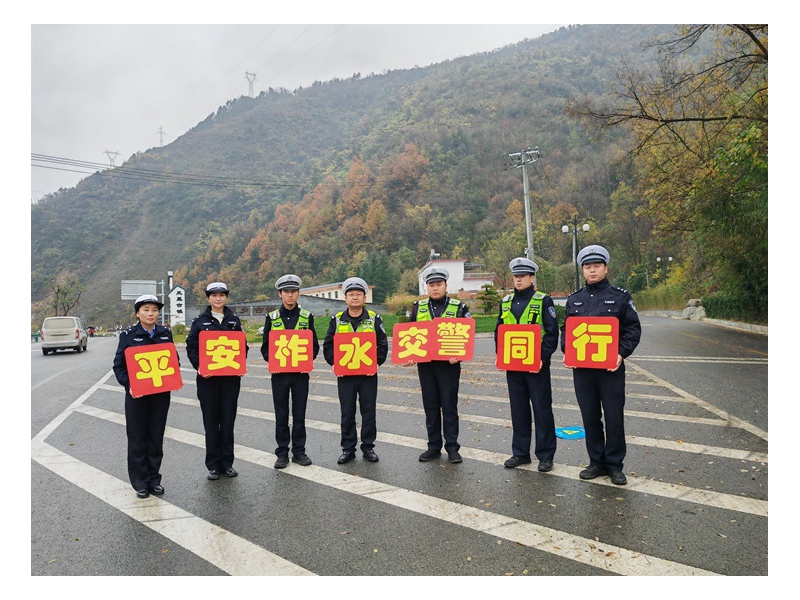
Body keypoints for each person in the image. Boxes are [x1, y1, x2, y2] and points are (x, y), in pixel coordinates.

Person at [561, 245, 641, 486]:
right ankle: (596, 462)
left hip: (611, 369)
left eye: (596, 266)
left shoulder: (620, 297)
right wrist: (568, 352)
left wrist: (621, 353)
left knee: (614, 416)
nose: (592, 270)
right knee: (590, 415)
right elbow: (567, 331)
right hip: (583, 371)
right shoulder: (575, 300)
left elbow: (632, 329)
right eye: (587, 267)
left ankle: (615, 465)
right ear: (583, 271)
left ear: (605, 268)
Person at [495, 258, 559, 472]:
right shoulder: (506, 301)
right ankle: (520, 453)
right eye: (516, 276)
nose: (519, 279)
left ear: (532, 278)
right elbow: (499, 331)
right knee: (518, 409)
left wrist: (542, 358)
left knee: (542, 409)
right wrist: (500, 355)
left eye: (523, 276)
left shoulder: (543, 301)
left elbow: (552, 333)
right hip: (514, 366)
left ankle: (545, 455)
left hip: (536, 366)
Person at [112, 294, 176, 499]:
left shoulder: (166, 334)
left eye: (154, 310)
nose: (151, 313)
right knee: (138, 438)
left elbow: (174, 360)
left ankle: (154, 479)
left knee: (155, 437)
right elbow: (119, 366)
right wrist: (129, 385)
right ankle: (140, 482)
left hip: (160, 395)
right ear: (138, 313)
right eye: (146, 310)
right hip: (136, 396)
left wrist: (173, 378)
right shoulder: (129, 336)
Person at [407, 267, 471, 464]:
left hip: (448, 366)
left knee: (449, 406)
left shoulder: (459, 307)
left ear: (445, 285)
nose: (435, 288)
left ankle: (452, 447)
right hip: (426, 366)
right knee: (431, 406)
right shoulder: (418, 307)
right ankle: (433, 446)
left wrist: (458, 355)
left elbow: (467, 336)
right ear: (427, 287)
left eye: (438, 284)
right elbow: (409, 334)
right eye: (431, 285)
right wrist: (410, 355)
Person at [186, 282, 249, 481]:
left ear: (226, 298)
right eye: (214, 295)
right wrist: (200, 367)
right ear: (208, 298)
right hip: (208, 381)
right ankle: (213, 465)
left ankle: (227, 463)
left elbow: (243, 347)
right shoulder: (199, 322)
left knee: (228, 422)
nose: (218, 298)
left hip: (230, 380)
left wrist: (238, 364)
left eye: (221, 295)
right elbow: (192, 348)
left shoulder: (234, 321)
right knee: (211, 423)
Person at [323, 277, 388, 464]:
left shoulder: (374, 319)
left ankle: (368, 447)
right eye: (351, 295)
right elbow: (328, 346)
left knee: (369, 412)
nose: (355, 298)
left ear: (364, 297)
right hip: (345, 376)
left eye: (358, 294)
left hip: (368, 374)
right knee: (347, 412)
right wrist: (334, 363)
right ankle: (348, 449)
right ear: (345, 298)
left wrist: (377, 363)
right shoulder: (336, 320)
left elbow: (382, 344)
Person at [260, 274, 320, 469]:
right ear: (280, 294)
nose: (290, 296)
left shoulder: (307, 317)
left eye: (293, 292)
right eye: (286, 292)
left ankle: (299, 452)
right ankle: (282, 452)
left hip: (300, 375)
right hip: (279, 376)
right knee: (281, 414)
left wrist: (302, 361)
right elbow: (265, 348)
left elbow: (314, 347)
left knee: (299, 414)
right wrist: (276, 360)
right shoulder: (272, 318)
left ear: (298, 294)